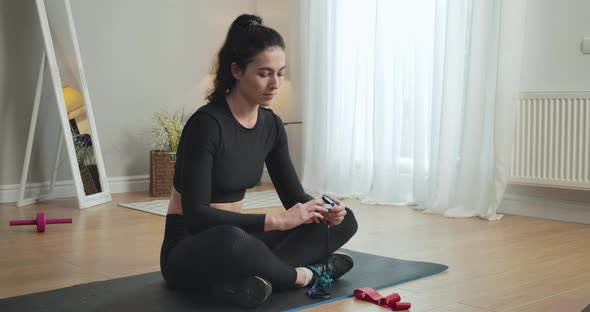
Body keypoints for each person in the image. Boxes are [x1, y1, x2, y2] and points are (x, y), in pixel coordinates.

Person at [160, 14, 358, 308]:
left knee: (345, 221)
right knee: (232, 239)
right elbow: (196, 216)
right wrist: (276, 222)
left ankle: (245, 281)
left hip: (245, 243)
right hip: (193, 247)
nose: (275, 84)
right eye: (265, 73)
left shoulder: (271, 125)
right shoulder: (207, 124)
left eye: (281, 73)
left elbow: (295, 198)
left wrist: (323, 211)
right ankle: (305, 275)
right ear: (237, 70)